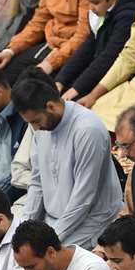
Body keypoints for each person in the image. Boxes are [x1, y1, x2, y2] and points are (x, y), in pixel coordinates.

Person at [14, 81, 124, 250]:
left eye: (36, 121)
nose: (35, 128)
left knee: (40, 258)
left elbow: (83, 199)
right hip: (53, 218)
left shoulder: (87, 130)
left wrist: (49, 238)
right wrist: (24, 230)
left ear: (50, 106)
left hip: (92, 221)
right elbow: (37, 183)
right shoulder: (41, 127)